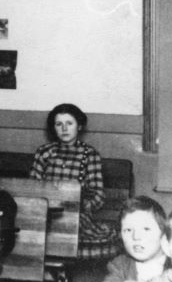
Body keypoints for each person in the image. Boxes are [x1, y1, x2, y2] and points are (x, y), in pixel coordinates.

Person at [31, 103, 117, 260]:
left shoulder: (89, 154)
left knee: (65, 231)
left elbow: (98, 195)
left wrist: (81, 205)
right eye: (59, 124)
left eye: (69, 123)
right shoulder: (44, 152)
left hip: (75, 214)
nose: (64, 129)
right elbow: (32, 188)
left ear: (79, 127)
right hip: (46, 212)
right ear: (54, 128)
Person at [93, 197, 168, 282]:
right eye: (128, 230)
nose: (136, 237)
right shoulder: (121, 264)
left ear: (163, 234)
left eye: (146, 229)